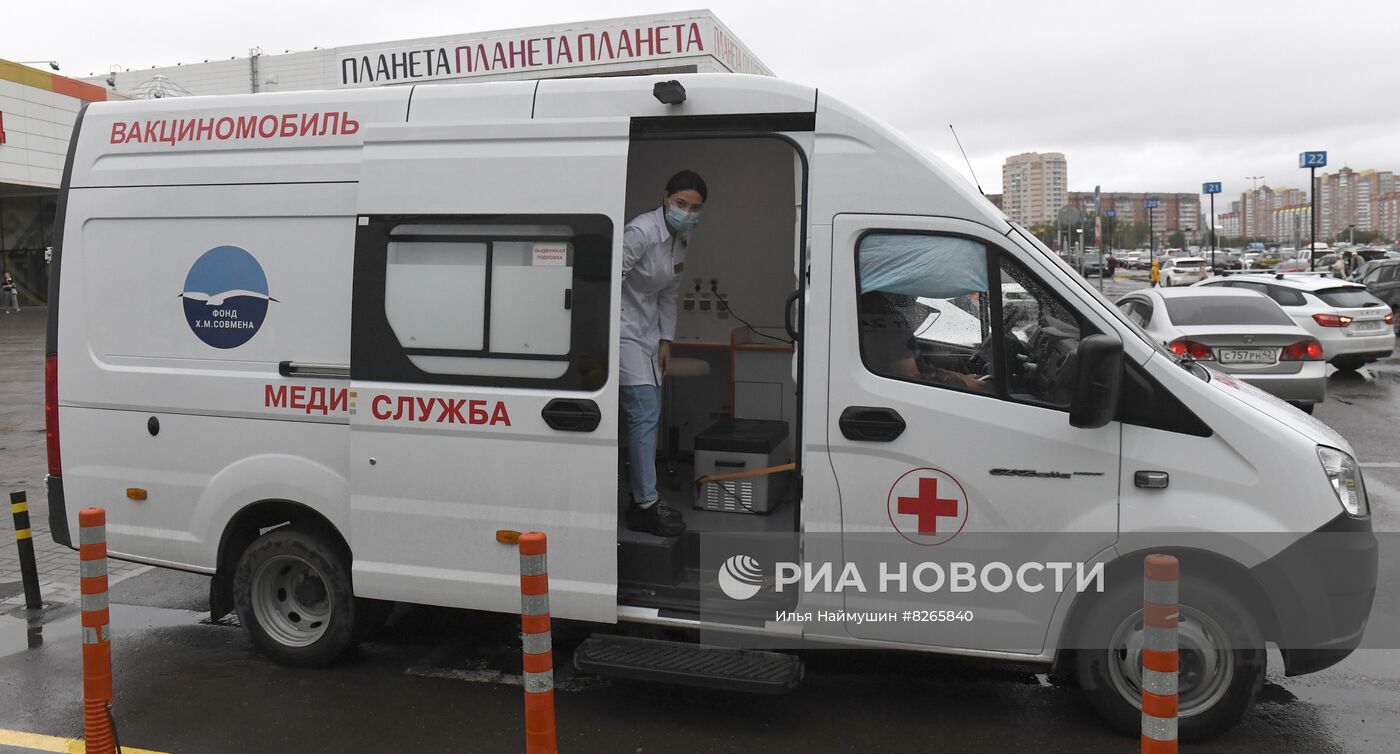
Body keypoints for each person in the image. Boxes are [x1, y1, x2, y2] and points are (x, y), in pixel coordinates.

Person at [617, 170, 707, 537]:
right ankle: (645, 503)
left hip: (648, 333)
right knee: (645, 413)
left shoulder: (682, 237)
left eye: (695, 208)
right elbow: (610, 278)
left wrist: (666, 340)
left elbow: (670, 291)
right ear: (665, 198)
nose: (687, 212)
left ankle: (642, 497)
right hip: (622, 330)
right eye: (681, 203)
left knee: (647, 415)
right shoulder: (640, 232)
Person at [859, 291, 987, 391]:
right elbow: (909, 374)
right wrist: (961, 382)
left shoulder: (871, 305)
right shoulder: (883, 316)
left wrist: (959, 377)